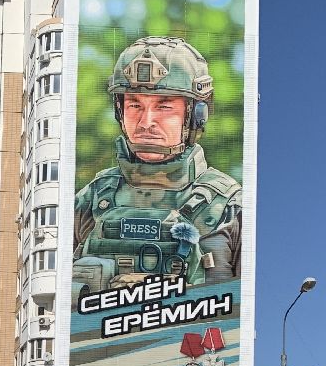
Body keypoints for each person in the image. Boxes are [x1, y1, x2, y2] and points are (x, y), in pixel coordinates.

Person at [73, 36, 241, 290]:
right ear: (120, 112)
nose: (145, 122)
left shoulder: (229, 207)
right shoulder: (91, 198)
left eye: (164, 106)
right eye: (134, 105)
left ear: (197, 115)